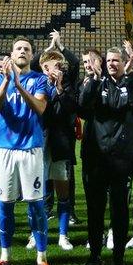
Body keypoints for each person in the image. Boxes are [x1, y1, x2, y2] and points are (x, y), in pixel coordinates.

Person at [0, 37, 54, 265]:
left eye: (27, 49)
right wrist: (6, 82)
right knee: (4, 206)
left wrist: (19, 84)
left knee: (36, 206)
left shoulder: (39, 80)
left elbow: (40, 108)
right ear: (12, 55)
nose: (23, 51)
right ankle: (5, 256)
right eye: (18, 48)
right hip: (4, 150)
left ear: (32, 55)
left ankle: (42, 257)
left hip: (31, 150)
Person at [77, 46, 133, 265]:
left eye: (117, 61)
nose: (111, 64)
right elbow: (83, 107)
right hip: (95, 157)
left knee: (119, 209)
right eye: (109, 61)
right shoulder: (96, 83)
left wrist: (126, 77)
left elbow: (121, 104)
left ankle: (119, 258)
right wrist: (95, 80)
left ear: (125, 63)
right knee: (95, 209)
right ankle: (94, 256)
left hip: (122, 157)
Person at [37, 48, 79, 251]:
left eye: (61, 65)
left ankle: (63, 235)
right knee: (39, 192)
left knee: (63, 193)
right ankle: (36, 234)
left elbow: (71, 110)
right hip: (39, 143)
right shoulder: (36, 84)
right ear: (45, 67)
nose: (59, 67)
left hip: (61, 144)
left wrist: (60, 87)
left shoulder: (68, 86)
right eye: (55, 64)